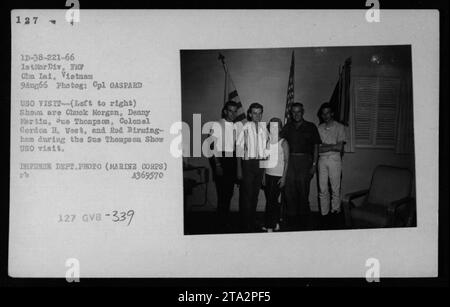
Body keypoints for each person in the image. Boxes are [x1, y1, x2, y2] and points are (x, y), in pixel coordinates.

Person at [281, 102, 322, 230]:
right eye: (294, 112)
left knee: (303, 191)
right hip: (290, 161)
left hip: (305, 161)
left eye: (299, 111)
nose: (296, 114)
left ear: (302, 112)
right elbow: (280, 144)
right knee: (289, 192)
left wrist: (314, 164)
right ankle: (291, 221)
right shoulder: (287, 127)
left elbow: (316, 146)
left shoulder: (311, 126)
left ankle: (303, 222)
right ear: (291, 113)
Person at [236, 102, 269, 232]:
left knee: (255, 195)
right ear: (250, 114)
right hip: (248, 164)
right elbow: (238, 149)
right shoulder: (244, 127)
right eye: (254, 113)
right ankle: (245, 224)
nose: (257, 116)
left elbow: (266, 151)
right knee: (246, 195)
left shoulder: (264, 128)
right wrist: (239, 169)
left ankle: (252, 220)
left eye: (260, 113)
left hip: (260, 165)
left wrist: (265, 170)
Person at [209, 101, 238, 232]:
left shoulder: (235, 126)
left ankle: (224, 220)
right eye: (230, 111)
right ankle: (220, 224)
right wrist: (218, 164)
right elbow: (211, 146)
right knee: (223, 194)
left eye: (235, 111)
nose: (233, 113)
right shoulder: (217, 125)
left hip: (231, 160)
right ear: (225, 111)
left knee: (229, 193)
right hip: (221, 160)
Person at [317, 103, 346, 218]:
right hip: (322, 160)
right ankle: (324, 214)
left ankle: (335, 212)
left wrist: (325, 146)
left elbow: (339, 147)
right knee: (322, 189)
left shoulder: (340, 127)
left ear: (332, 113)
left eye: (328, 113)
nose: (326, 116)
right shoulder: (319, 128)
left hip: (335, 159)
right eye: (323, 113)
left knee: (335, 188)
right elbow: (318, 149)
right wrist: (332, 145)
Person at [261, 118, 289, 232]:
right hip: (268, 174)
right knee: (272, 200)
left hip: (278, 175)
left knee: (271, 201)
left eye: (276, 126)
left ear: (280, 128)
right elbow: (265, 159)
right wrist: (263, 175)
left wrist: (284, 177)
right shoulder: (268, 141)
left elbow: (287, 161)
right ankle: (276, 222)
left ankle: (270, 226)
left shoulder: (283, 142)